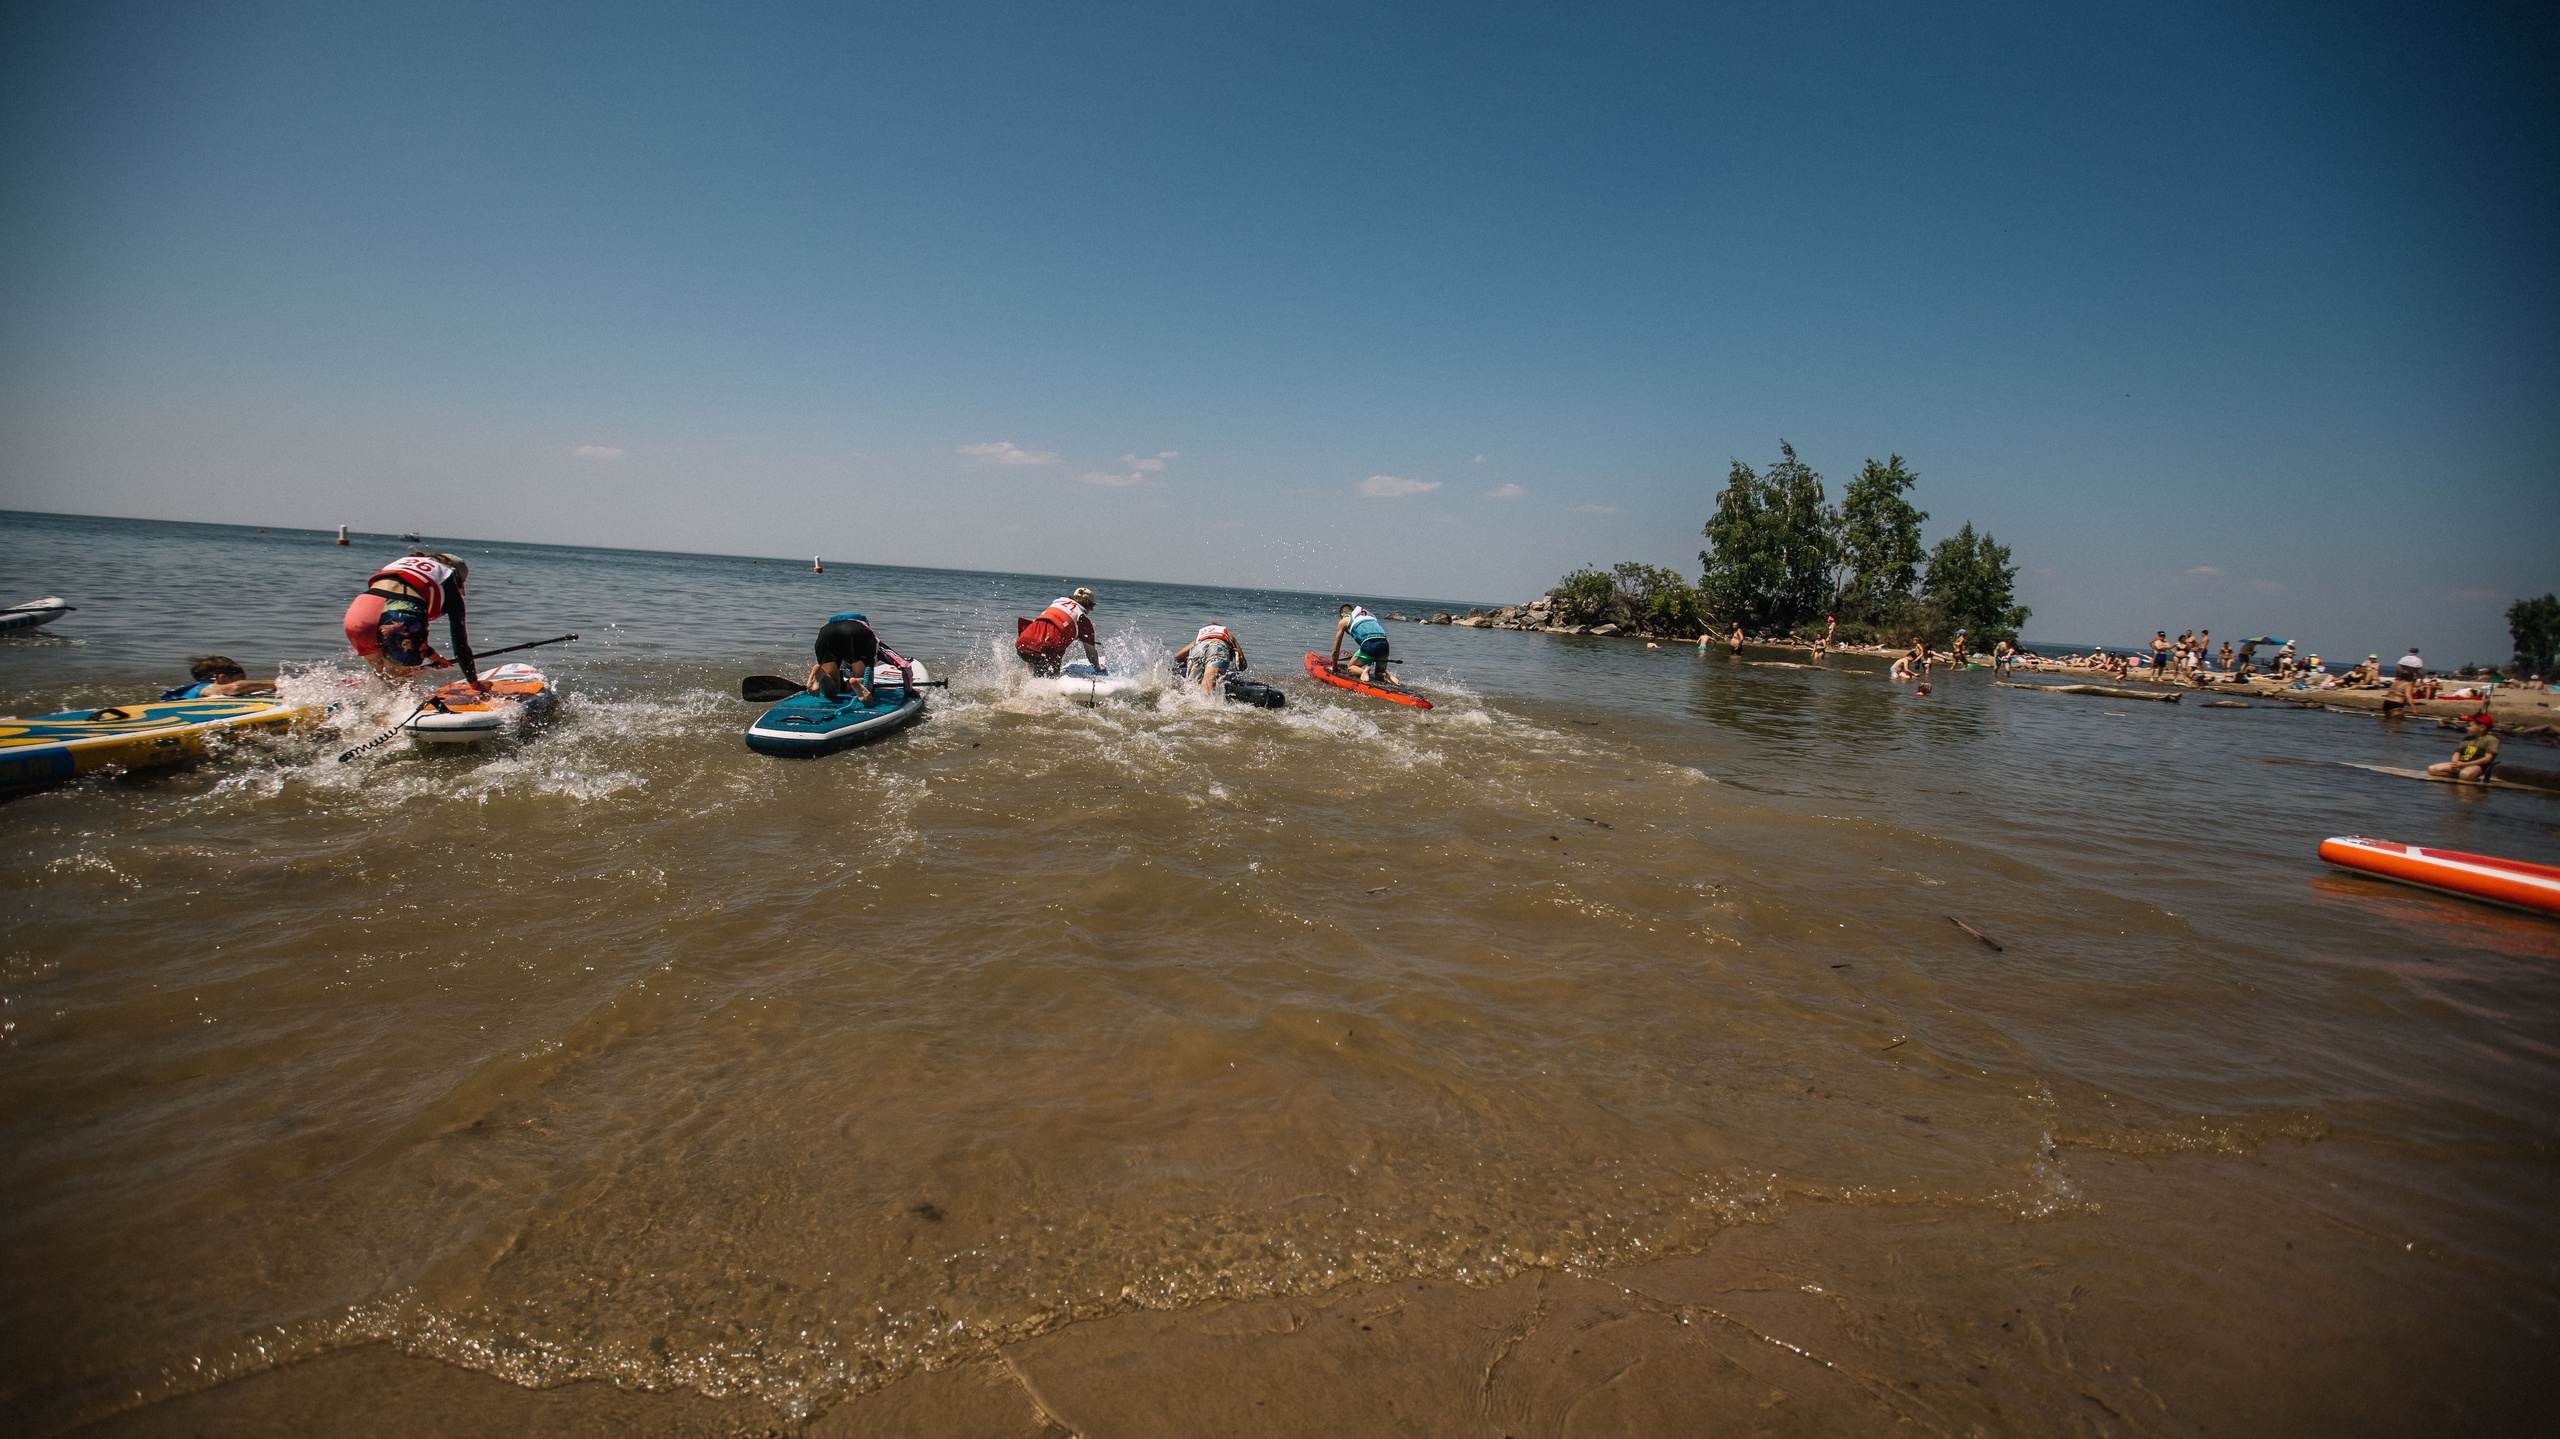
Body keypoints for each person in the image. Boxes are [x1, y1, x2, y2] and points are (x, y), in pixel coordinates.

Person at [343, 550, 485, 690]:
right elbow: (460, 644)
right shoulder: (447, 576)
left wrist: (430, 654)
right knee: (398, 688)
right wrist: (475, 684)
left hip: (359, 612)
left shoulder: (402, 564)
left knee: (382, 680)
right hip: (400, 614)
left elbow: (384, 614)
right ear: (458, 577)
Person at [807, 611, 910, 702]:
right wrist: (909, 690)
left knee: (832, 691)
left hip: (826, 633)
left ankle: (820, 673)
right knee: (864, 682)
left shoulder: (831, 628)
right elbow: (905, 665)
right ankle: (857, 683)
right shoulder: (867, 634)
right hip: (857, 633)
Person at [1015, 588, 1104, 677]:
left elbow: (1040, 631)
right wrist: (1097, 667)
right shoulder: (1082, 619)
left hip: (1022, 644)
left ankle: (1028, 672)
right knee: (1050, 677)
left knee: (1033, 658)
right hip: (1046, 649)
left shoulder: (1057, 603)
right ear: (1089, 607)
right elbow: (1091, 653)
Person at [1332, 603, 1397, 684]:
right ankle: (1385, 674)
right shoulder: (1367, 615)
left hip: (1369, 644)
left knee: (1350, 668)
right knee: (1379, 674)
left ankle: (1364, 671)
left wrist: (1334, 667)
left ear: (1342, 614)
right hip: (1385, 644)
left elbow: (1336, 649)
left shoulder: (1344, 620)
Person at [160, 655, 277, 699]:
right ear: (222, 679)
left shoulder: (193, 690)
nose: (245, 682)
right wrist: (276, 683)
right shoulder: (205, 688)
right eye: (242, 678)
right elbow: (235, 688)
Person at [1173, 624, 1248, 691]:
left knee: (1192, 687)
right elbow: (1243, 665)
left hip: (1198, 648)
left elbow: (1177, 656)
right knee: (1208, 678)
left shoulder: (1201, 637)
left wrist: (1185, 662)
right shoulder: (1228, 635)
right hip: (1217, 647)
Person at [2428, 716, 2500, 782]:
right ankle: (2456, 775)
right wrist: (2455, 762)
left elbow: (2487, 759)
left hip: (2478, 766)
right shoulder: (2467, 739)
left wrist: (2465, 764)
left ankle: (2472, 778)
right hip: (2461, 764)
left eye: (2469, 725)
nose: (2466, 727)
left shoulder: (2491, 740)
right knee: (2432, 769)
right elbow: (2457, 753)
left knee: (2465, 775)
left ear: (2482, 728)